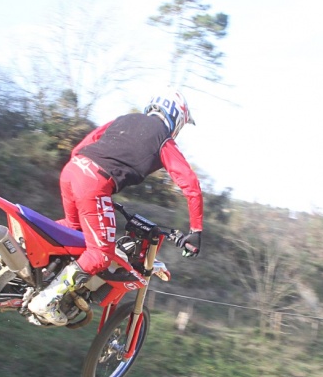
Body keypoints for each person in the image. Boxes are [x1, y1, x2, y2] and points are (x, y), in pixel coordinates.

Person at [28, 89, 204, 325]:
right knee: (101, 254)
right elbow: (190, 184)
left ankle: (24, 251)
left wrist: (86, 180)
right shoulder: (163, 139)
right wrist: (196, 231)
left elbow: (79, 148)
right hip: (95, 182)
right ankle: (48, 299)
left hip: (72, 170)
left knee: (73, 229)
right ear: (176, 119)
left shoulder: (122, 119)